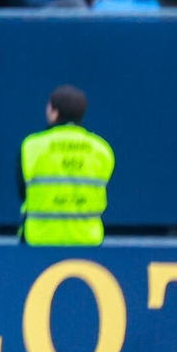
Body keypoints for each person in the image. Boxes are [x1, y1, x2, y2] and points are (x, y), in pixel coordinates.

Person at [19, 85, 115, 246]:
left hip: (40, 239)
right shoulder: (102, 149)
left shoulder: (31, 146)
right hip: (88, 239)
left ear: (54, 112)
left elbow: (23, 192)